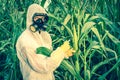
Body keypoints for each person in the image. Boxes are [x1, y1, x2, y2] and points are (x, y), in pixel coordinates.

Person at [16, 4, 74, 80]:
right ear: (30, 18)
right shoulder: (26, 41)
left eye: (43, 18)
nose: (41, 21)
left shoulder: (44, 36)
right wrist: (61, 51)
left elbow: (49, 57)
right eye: (37, 18)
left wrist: (63, 54)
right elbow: (43, 66)